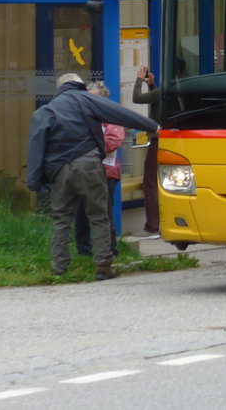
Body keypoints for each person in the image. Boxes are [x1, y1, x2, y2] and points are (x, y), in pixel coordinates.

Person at [26, 72, 159, 280]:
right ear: (79, 85)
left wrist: (34, 180)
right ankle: (103, 267)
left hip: (59, 170)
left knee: (61, 219)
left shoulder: (47, 110)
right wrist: (152, 126)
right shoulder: (85, 99)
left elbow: (36, 147)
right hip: (88, 164)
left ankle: (59, 268)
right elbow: (119, 113)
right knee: (99, 216)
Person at [73, 82, 124, 262]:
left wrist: (87, 144)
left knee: (104, 211)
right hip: (84, 171)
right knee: (81, 212)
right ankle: (83, 251)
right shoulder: (80, 118)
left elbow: (112, 142)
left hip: (106, 172)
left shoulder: (112, 119)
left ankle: (110, 249)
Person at [132, 65, 161, 238]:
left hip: (158, 143)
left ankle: (152, 227)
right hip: (173, 142)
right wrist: (151, 85)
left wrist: (139, 79)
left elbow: (136, 98)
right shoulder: (177, 92)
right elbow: (159, 102)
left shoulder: (163, 92)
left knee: (150, 185)